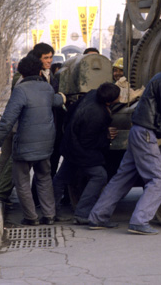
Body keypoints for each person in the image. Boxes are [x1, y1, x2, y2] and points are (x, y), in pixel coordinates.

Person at [87, 52, 161, 235]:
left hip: (137, 131)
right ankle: (139, 221)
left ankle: (97, 217)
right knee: (159, 179)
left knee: (123, 177)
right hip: (146, 134)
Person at [0, 54, 65, 226]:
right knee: (44, 179)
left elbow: (8, 120)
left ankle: (31, 217)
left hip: (24, 145)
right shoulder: (47, 89)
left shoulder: (20, 90)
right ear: (39, 71)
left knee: (21, 180)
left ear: (21, 74)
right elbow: (55, 101)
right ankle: (49, 215)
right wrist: (63, 97)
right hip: (46, 143)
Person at [53, 83, 120, 224]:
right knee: (100, 176)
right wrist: (106, 136)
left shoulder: (92, 93)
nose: (119, 99)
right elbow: (88, 142)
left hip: (70, 141)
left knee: (61, 178)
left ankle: (50, 211)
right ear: (108, 101)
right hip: (80, 149)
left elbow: (71, 111)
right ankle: (82, 213)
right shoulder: (98, 115)